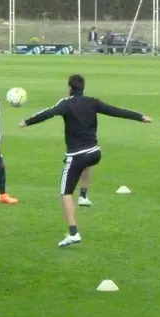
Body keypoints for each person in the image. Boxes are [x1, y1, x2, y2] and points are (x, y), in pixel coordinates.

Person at [18, 74, 151, 247]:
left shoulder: (65, 103)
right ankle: (83, 196)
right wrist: (140, 116)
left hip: (77, 155)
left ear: (69, 88)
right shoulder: (92, 102)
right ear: (83, 88)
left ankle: (73, 233)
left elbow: (47, 113)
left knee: (65, 193)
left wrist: (26, 122)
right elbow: (115, 111)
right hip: (95, 152)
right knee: (87, 163)